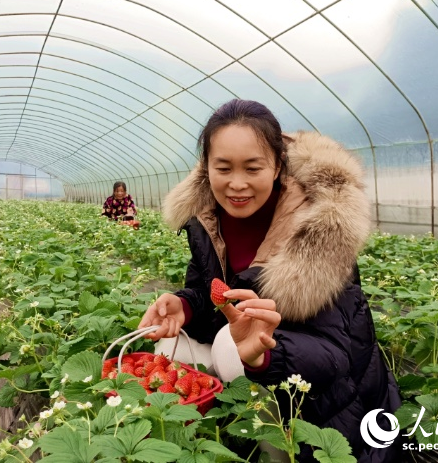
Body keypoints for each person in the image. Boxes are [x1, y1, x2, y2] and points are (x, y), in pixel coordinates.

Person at [138, 99, 402, 462]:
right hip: (256, 361)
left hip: (329, 398)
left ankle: (277, 452)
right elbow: (209, 293)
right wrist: (183, 305)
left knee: (228, 349)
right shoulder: (206, 218)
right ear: (206, 168)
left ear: (278, 165)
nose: (237, 184)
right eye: (223, 168)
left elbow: (336, 354)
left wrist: (262, 356)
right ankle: (190, 439)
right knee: (171, 349)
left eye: (252, 168)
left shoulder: (320, 227)